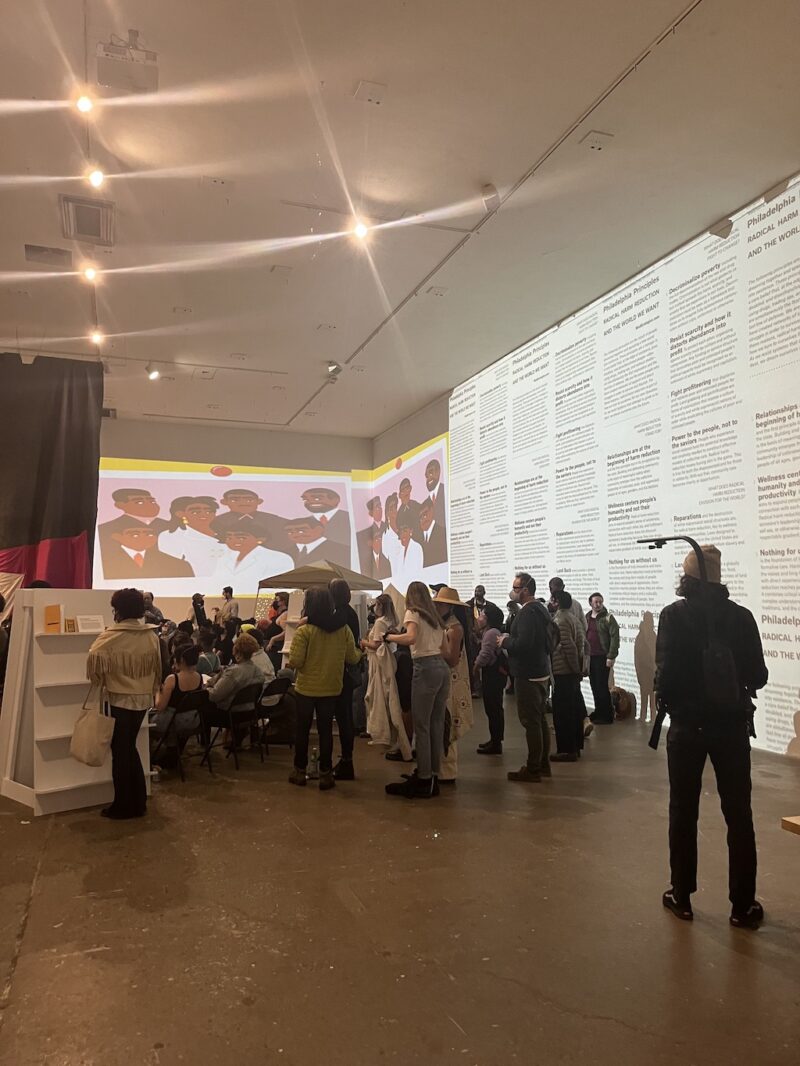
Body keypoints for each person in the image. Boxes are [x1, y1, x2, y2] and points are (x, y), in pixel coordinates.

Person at [654, 545, 768, 928]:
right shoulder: (741, 618)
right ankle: (743, 906)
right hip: (732, 728)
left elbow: (665, 678)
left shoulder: (673, 617)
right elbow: (759, 676)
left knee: (683, 811)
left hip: (687, 729)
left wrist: (677, 699)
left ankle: (681, 896)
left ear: (687, 579)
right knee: (739, 816)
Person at [85, 588, 161, 820]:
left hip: (119, 699)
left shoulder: (112, 636)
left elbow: (94, 660)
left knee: (121, 752)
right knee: (129, 748)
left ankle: (123, 806)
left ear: (118, 609)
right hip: (142, 699)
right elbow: (157, 667)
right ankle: (138, 803)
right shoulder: (150, 635)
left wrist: (107, 675)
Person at [287, 586, 361, 791]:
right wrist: (361, 648)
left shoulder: (304, 631)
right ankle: (326, 775)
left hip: (305, 690)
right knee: (325, 732)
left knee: (302, 731)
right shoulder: (343, 630)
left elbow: (296, 660)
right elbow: (352, 657)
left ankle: (299, 771)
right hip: (331, 689)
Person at [385, 581, 449, 798]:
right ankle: (432, 776)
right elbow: (446, 650)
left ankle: (423, 779)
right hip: (441, 668)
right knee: (436, 724)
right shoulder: (437, 619)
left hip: (425, 667)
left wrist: (389, 637)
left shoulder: (412, 613)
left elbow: (410, 638)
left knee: (421, 725)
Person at [498, 573, 553, 783]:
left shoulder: (529, 613)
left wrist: (505, 642)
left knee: (531, 721)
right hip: (540, 671)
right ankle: (542, 765)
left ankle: (533, 768)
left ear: (526, 590)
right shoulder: (541, 610)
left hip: (529, 674)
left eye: (515, 587)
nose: (513, 590)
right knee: (539, 720)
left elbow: (524, 644)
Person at [362, 594, 411, 760]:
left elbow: (376, 644)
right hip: (388, 659)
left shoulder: (379, 622)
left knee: (378, 697)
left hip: (378, 661)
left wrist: (363, 642)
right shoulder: (392, 621)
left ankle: (381, 732)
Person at [432, 586, 473, 784]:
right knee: (441, 723)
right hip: (445, 678)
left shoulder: (454, 628)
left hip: (452, 680)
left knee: (448, 723)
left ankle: (447, 770)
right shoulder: (447, 625)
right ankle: (441, 767)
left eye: (439, 603)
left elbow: (453, 659)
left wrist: (434, 648)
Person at [152, 641, 204, 758]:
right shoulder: (199, 677)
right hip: (192, 721)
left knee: (145, 725)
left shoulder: (172, 679)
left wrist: (157, 691)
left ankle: (151, 759)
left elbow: (160, 707)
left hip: (172, 722)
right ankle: (173, 750)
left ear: (181, 660)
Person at [214, 519, 294, 595]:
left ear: (260, 539)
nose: (233, 541)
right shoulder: (223, 557)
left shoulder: (278, 558)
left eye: (241, 538)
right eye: (229, 537)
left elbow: (277, 587)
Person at [97, 488, 168, 574]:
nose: (149, 505)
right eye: (139, 502)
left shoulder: (170, 526)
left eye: (152, 502)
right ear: (120, 505)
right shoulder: (106, 529)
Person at [550, 591, 584, 761]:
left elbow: (568, 647)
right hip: (569, 672)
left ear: (556, 601)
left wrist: (575, 670)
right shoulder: (572, 618)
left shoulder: (560, 620)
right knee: (572, 711)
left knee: (563, 713)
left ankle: (567, 749)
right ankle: (574, 747)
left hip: (564, 672)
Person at [104, 520, 194, 579]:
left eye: (149, 534)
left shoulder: (179, 565)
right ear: (117, 537)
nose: (143, 538)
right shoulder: (106, 561)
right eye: (135, 535)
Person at [158, 495, 225, 576]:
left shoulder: (226, 534)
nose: (203, 515)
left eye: (208, 512)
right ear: (181, 514)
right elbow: (172, 564)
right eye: (196, 512)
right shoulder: (171, 535)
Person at [473, 602, 506, 754]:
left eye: (482, 615)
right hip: (495, 675)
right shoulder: (492, 632)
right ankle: (494, 740)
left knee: (493, 708)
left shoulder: (491, 633)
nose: (479, 618)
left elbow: (485, 654)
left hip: (492, 676)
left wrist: (476, 666)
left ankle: (496, 742)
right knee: (493, 708)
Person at [207, 632, 265, 711]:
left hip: (227, 713)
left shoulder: (233, 672)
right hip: (249, 712)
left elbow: (213, 696)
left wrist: (205, 688)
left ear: (236, 649)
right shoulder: (258, 672)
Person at [586, 592, 619, 724]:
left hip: (602, 656)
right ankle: (598, 711)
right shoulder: (587, 617)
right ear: (591, 603)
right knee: (594, 684)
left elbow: (615, 637)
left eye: (600, 601)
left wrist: (611, 656)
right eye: (596, 602)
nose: (598, 604)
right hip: (590, 657)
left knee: (602, 685)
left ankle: (607, 714)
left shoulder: (608, 618)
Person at [284, 516, 350, 567]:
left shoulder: (341, 550)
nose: (295, 534)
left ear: (318, 530)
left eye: (301, 531)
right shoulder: (285, 553)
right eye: (290, 532)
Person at [392, 521, 424, 592]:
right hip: (402, 590)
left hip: (414, 590)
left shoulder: (416, 547)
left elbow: (417, 573)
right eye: (401, 532)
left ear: (411, 531)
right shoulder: (400, 552)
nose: (402, 534)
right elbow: (398, 574)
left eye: (405, 531)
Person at [357, 496, 385, 574]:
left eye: (380, 506)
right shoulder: (363, 535)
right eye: (376, 507)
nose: (379, 509)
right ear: (370, 513)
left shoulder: (388, 528)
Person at [419, 499, 447, 567]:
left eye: (425, 514)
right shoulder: (419, 540)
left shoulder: (443, 533)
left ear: (432, 511)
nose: (423, 519)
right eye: (420, 517)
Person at [397, 477, 422, 543]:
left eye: (407, 488)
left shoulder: (417, 506)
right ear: (399, 495)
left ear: (410, 489)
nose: (406, 492)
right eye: (403, 490)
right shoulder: (399, 515)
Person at [425, 458, 446, 531]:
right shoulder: (426, 503)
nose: (428, 478)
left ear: (438, 472)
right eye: (426, 476)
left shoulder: (446, 491)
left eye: (431, 473)